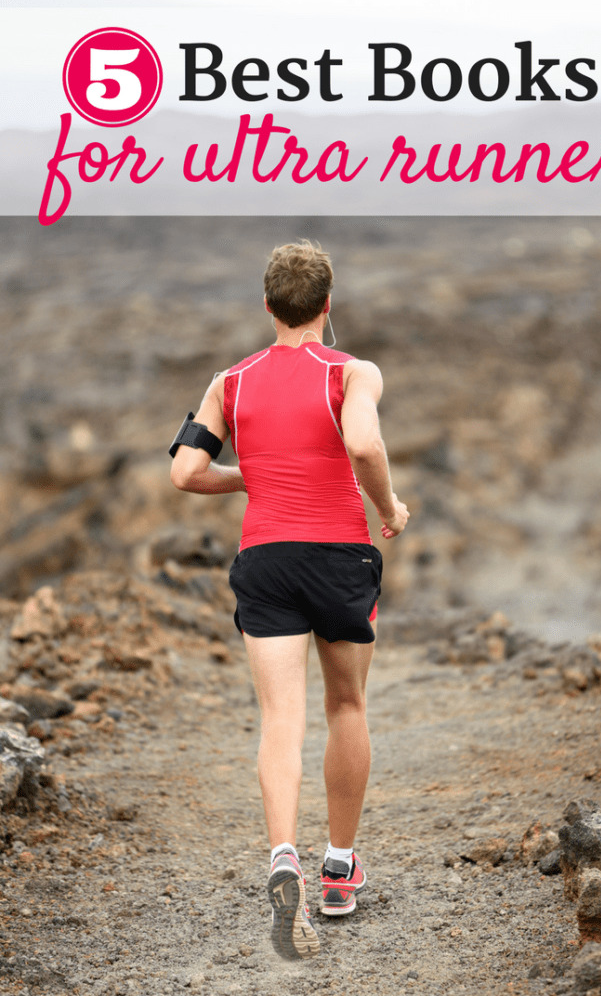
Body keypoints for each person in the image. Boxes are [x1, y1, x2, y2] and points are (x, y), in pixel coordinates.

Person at [170, 240, 409, 960]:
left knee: (280, 717)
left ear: (268, 306)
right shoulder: (351, 371)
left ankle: (283, 857)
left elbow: (184, 472)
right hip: (338, 556)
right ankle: (338, 869)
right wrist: (390, 507)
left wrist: (254, 476)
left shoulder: (229, 381)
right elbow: (362, 444)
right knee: (345, 706)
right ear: (326, 305)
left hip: (265, 560)